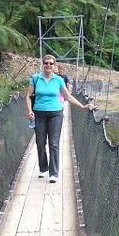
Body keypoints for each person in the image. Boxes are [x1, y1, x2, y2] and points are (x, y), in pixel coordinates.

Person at [26, 55, 93, 183]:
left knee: (54, 143)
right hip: (39, 114)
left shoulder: (58, 80)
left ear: (54, 65)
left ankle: (53, 173)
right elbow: (28, 96)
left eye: (51, 63)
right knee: (40, 143)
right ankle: (43, 167)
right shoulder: (35, 79)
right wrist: (29, 111)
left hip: (55, 114)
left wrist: (83, 106)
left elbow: (67, 97)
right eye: (46, 63)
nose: (48, 65)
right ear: (43, 64)